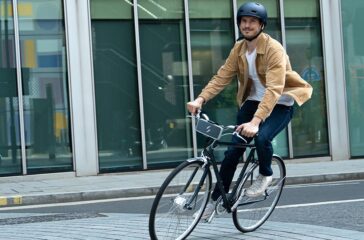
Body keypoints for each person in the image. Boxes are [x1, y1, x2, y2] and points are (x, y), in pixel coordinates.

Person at [187, 2, 313, 221]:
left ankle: (265, 175)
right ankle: (216, 199)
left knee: (262, 137)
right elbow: (222, 76)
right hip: (253, 103)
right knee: (232, 153)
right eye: (243, 21)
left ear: (261, 25)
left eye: (252, 22)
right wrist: (200, 99)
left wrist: (255, 122)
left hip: (280, 104)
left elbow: (274, 89)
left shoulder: (274, 49)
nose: (247, 25)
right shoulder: (239, 49)